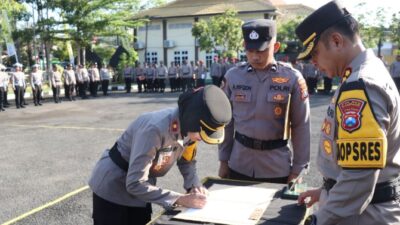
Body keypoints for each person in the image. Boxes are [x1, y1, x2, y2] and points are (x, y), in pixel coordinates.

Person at [295, 1, 400, 225]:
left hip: (363, 216)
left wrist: (321, 219)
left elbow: (359, 176)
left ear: (336, 41)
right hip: (362, 209)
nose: (314, 63)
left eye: (315, 53)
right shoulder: (366, 72)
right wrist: (325, 191)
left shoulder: (360, 85)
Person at [89, 85, 232, 225]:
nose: (202, 138)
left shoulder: (190, 128)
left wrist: (193, 185)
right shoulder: (155, 129)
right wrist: (179, 199)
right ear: (192, 119)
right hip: (113, 188)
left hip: (141, 189)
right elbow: (134, 183)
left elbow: (186, 160)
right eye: (204, 134)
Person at [218, 19, 311, 184]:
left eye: (261, 50)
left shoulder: (292, 78)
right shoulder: (233, 76)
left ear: (275, 47)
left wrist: (298, 169)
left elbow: (301, 125)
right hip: (240, 164)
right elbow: (227, 122)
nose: (255, 56)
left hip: (276, 166)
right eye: (250, 50)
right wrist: (224, 160)